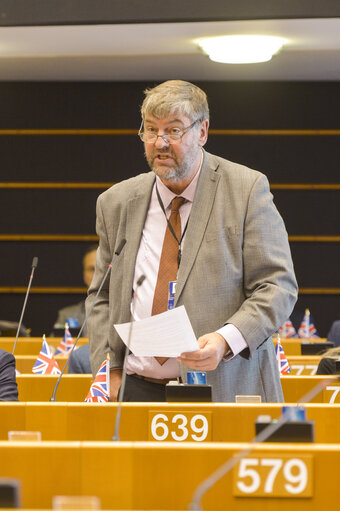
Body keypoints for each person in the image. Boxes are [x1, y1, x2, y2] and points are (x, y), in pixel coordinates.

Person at [87, 80, 298, 402]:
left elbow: (277, 287)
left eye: (174, 131)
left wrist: (226, 340)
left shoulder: (245, 189)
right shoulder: (116, 202)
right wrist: (109, 370)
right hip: (135, 388)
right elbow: (101, 297)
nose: (160, 142)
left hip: (224, 384)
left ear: (202, 132)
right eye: (150, 130)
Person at [52, 245, 97, 336]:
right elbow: (54, 347)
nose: (96, 274)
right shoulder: (66, 315)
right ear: (84, 276)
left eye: (101, 268)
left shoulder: (124, 314)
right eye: (92, 269)